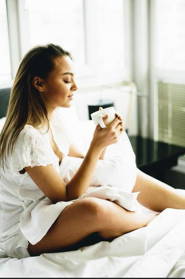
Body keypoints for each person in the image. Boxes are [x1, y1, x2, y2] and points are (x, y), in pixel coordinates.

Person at [0, 44, 184, 259]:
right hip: (25, 229)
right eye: (67, 80)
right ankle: (159, 221)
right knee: (93, 209)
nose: (75, 87)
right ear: (39, 83)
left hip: (47, 210)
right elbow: (65, 196)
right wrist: (96, 147)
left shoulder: (55, 119)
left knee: (125, 175)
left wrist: (104, 139)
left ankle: (180, 205)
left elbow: (83, 159)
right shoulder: (27, 137)